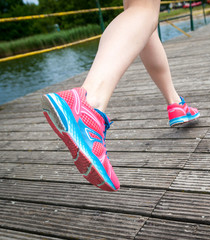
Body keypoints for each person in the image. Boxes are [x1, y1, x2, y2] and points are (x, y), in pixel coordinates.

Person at [41, 0, 199, 192]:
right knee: (144, 10)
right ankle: (89, 103)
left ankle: (175, 103)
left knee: (147, 23)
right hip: (86, 103)